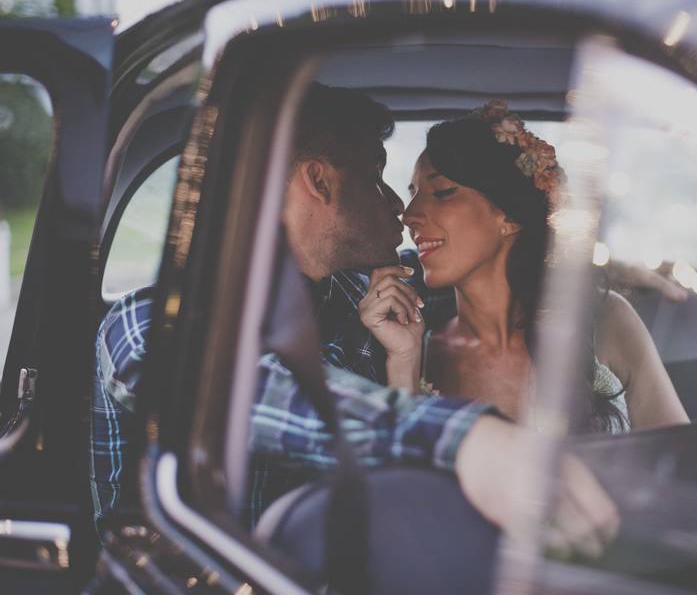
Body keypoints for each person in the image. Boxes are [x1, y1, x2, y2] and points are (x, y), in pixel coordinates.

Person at [91, 86, 619, 558]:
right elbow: (263, 393)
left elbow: (487, 254)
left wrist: (614, 270)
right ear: (319, 181)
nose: (398, 206)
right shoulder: (143, 326)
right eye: (376, 178)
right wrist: (468, 439)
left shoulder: (361, 287)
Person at [360, 101, 689, 431]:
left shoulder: (604, 321)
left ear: (510, 216)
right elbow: (400, 479)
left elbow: (683, 458)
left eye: (442, 192)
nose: (409, 214)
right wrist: (403, 369)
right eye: (414, 192)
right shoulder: (413, 348)